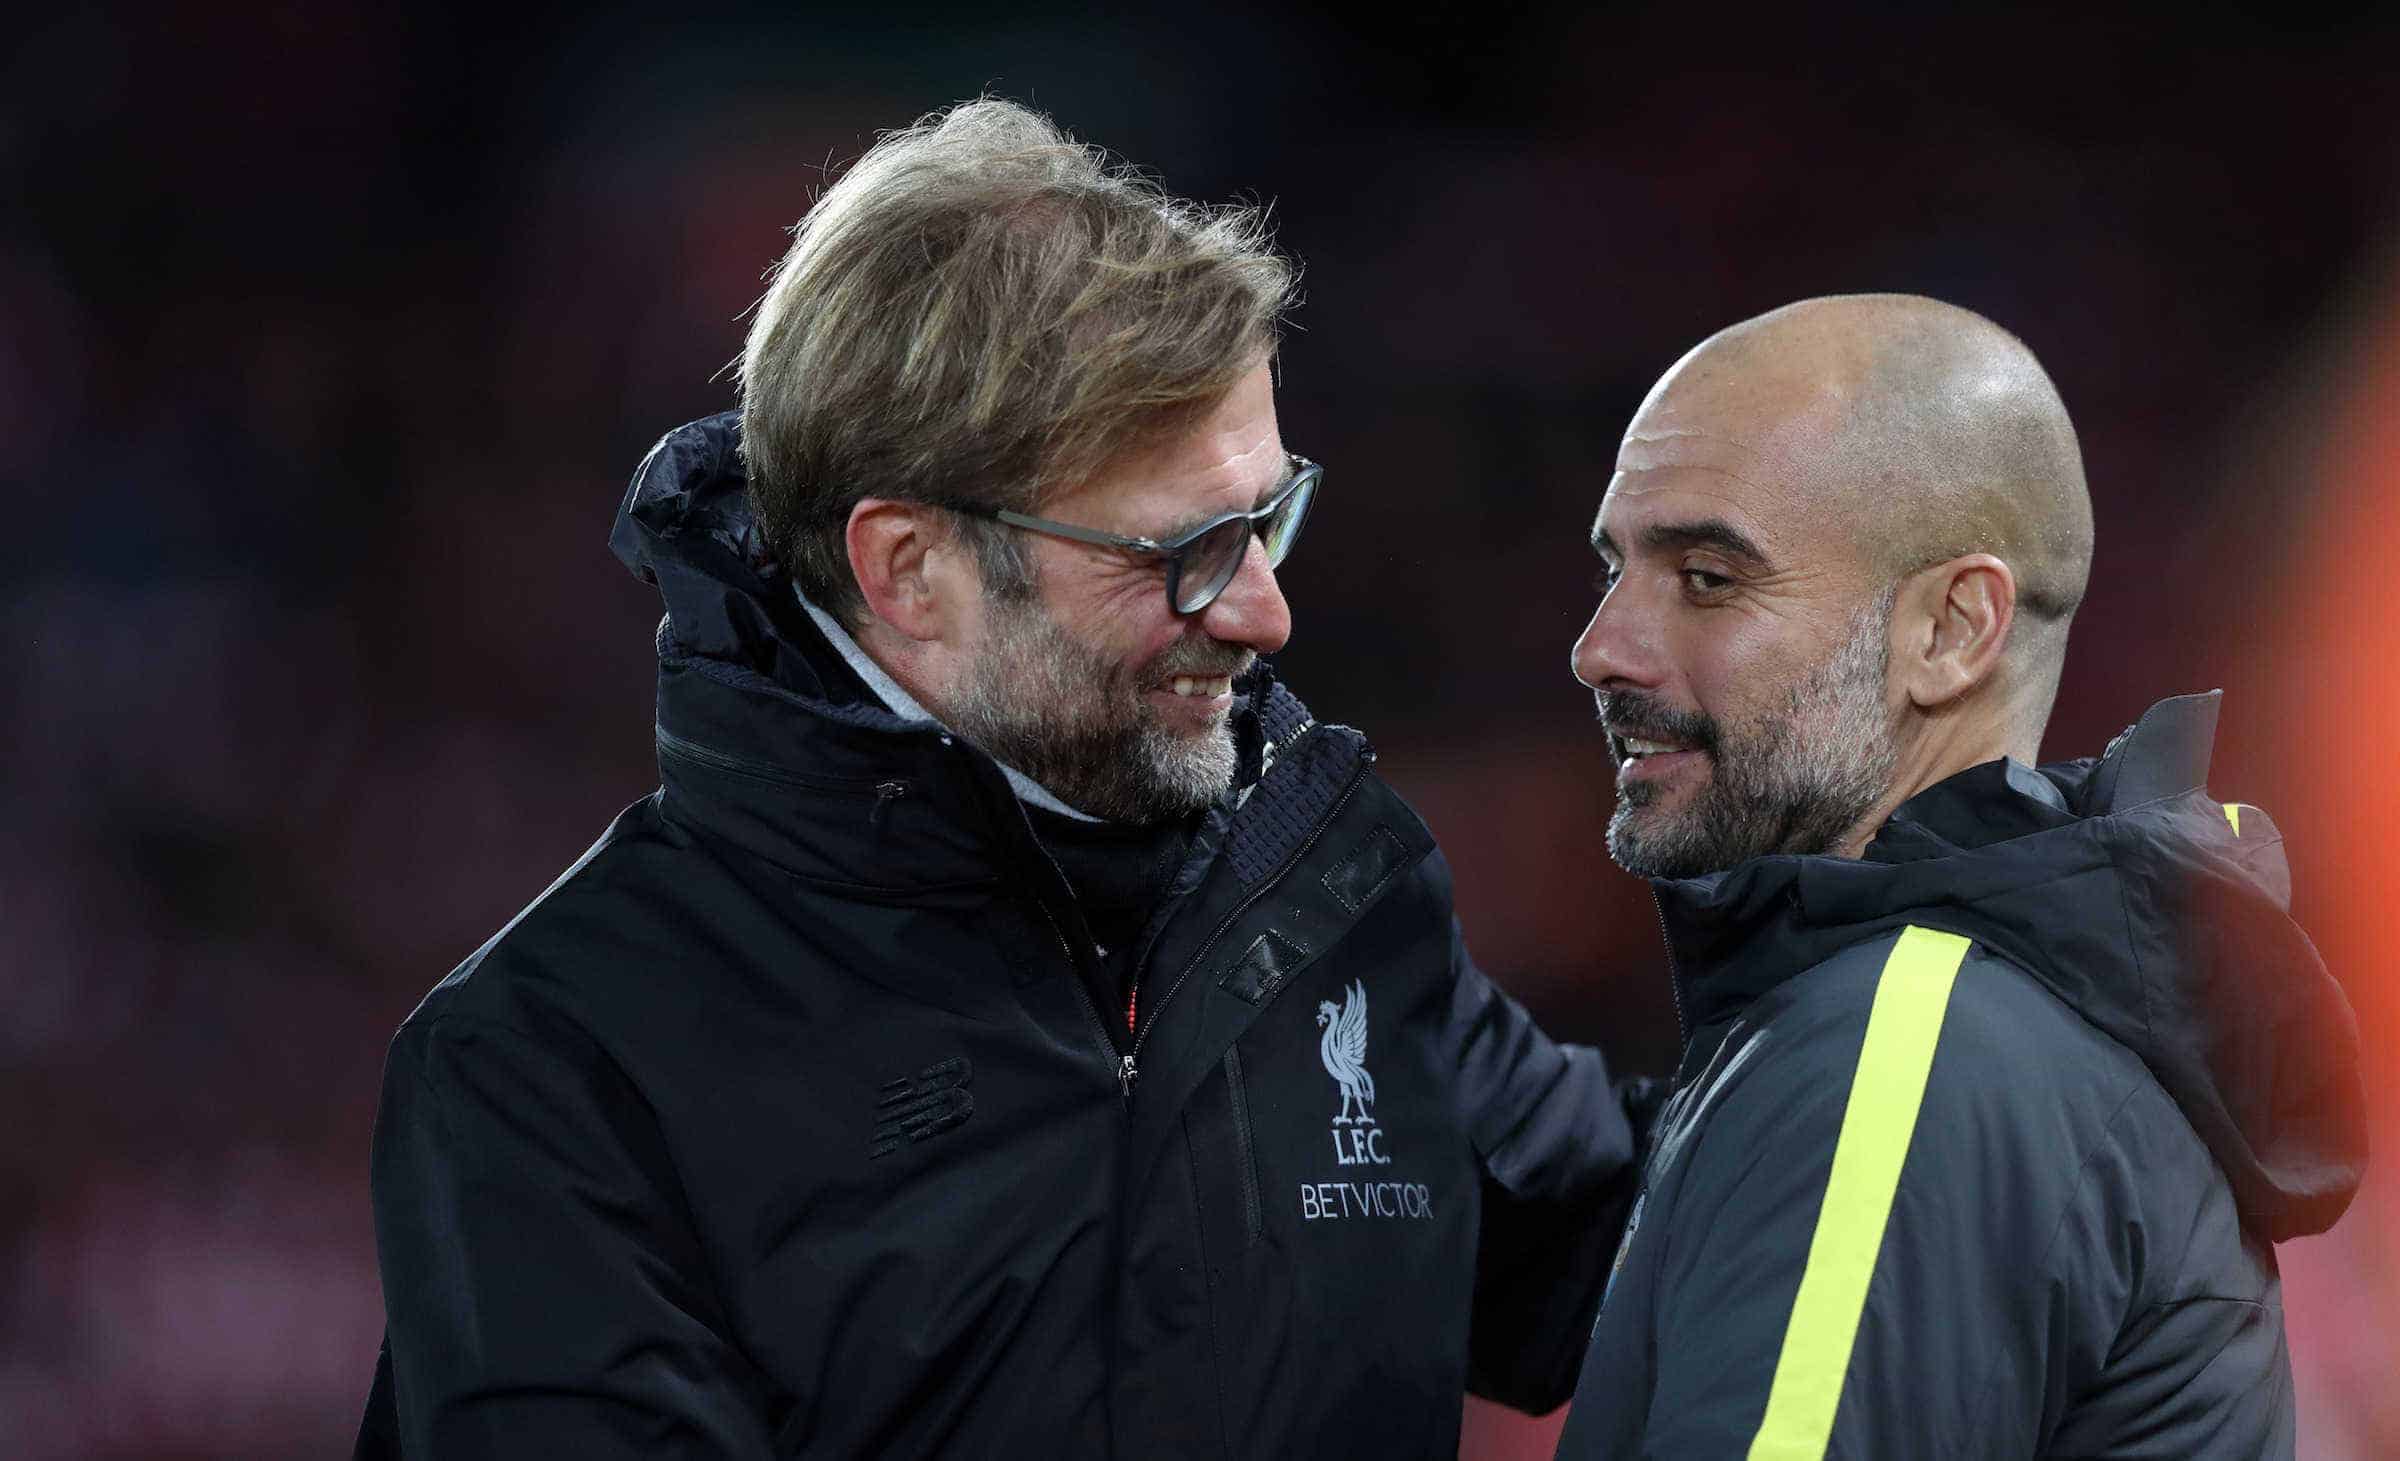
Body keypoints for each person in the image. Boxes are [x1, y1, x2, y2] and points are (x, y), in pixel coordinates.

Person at [355, 99, 1648, 1460]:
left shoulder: (1332, 898)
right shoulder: (558, 1065)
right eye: (1183, 550)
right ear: (908, 568)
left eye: (1267, 518)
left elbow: (1693, 1246)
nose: (1266, 613)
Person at [1551, 293, 2369, 1459]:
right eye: (1614, 568)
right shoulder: (1999, 1009)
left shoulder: (1906, 1050)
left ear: (1951, 630)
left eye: (1708, 576)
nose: (1601, 649)